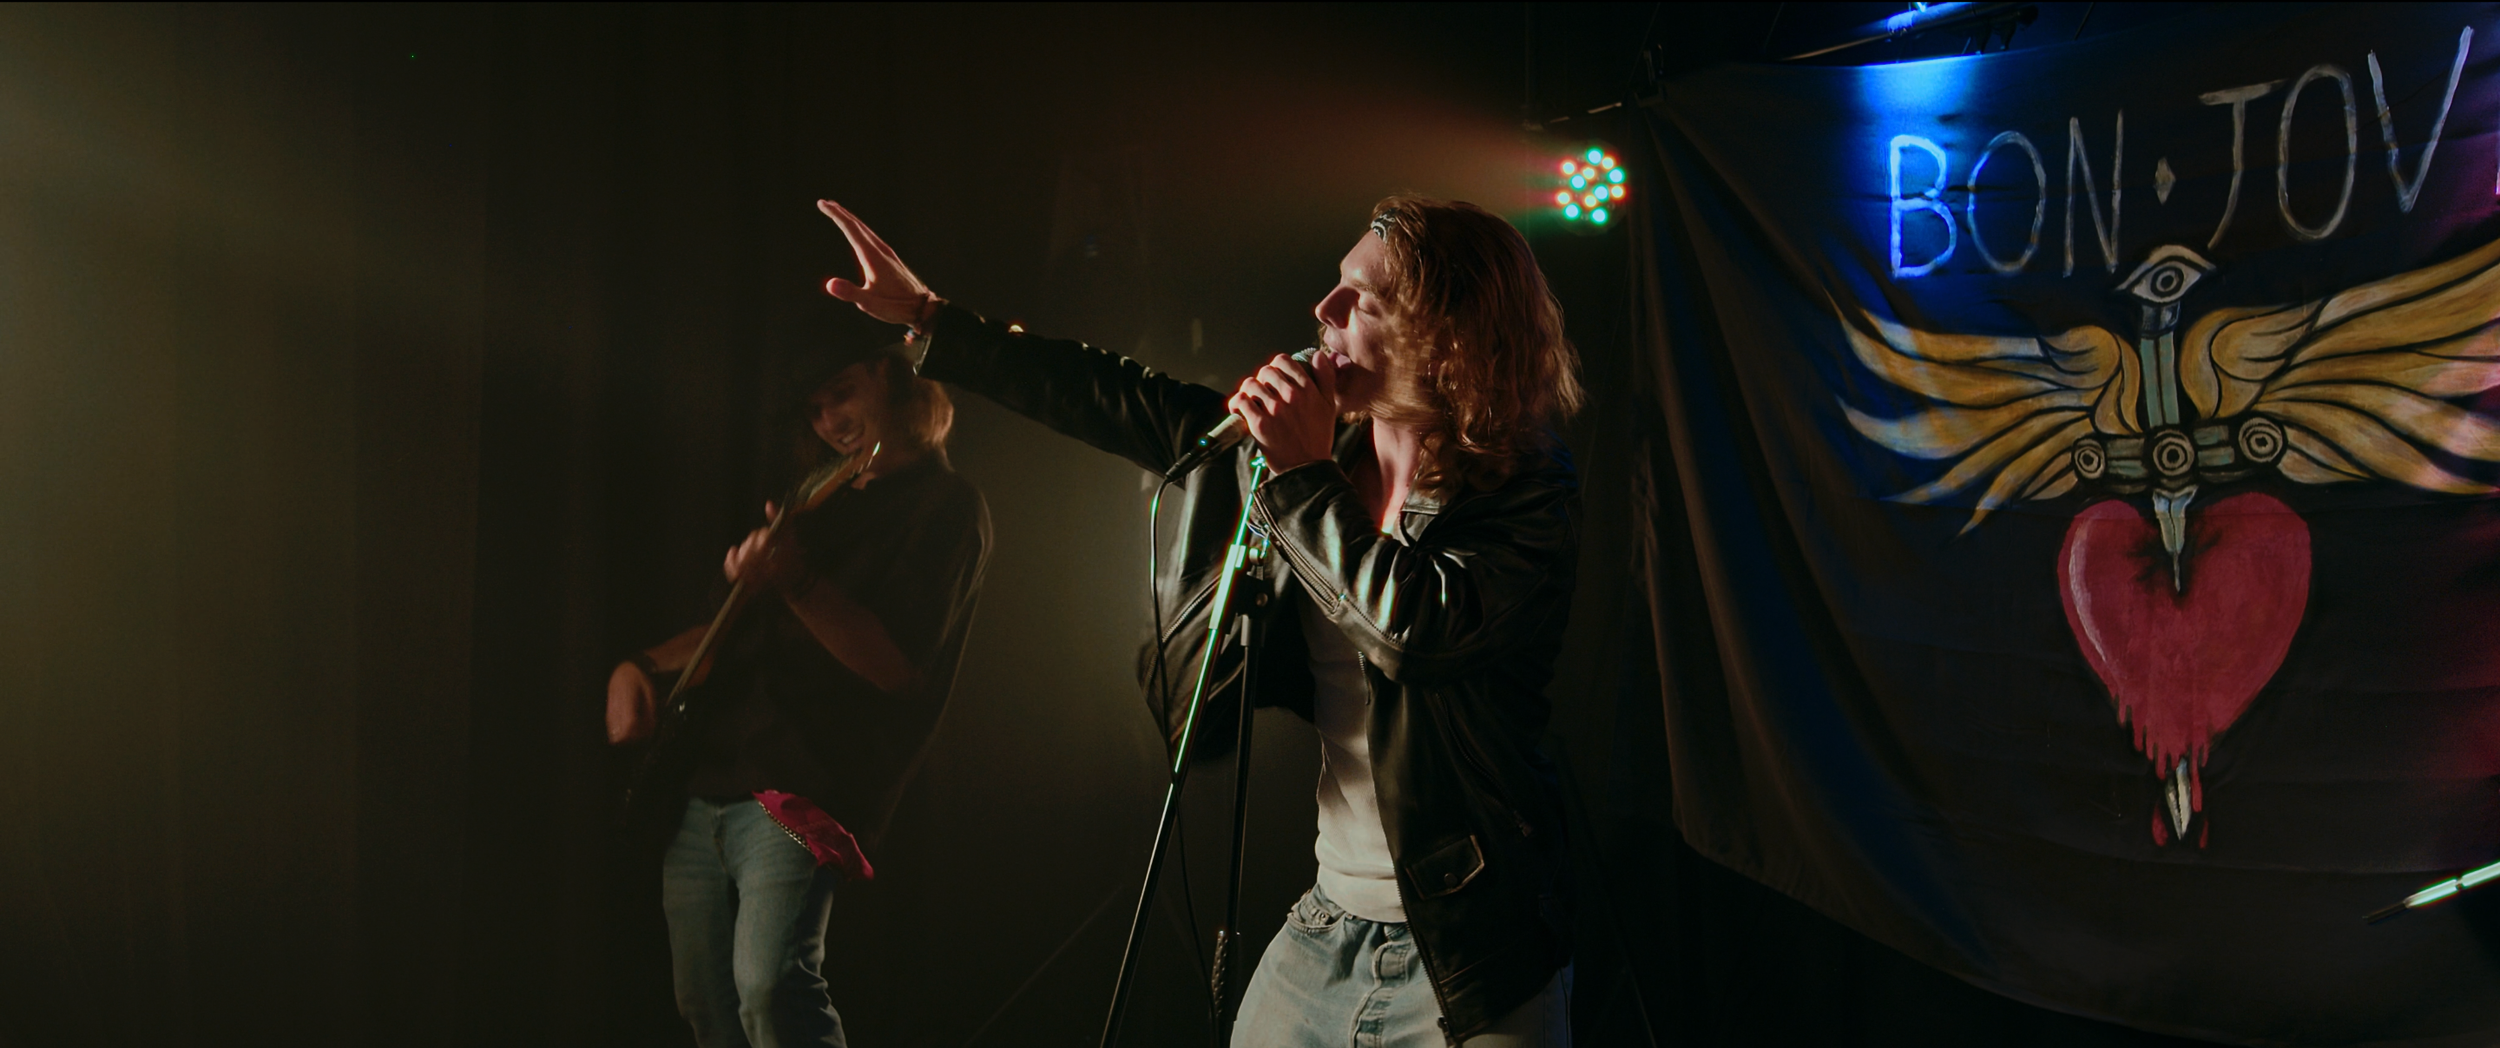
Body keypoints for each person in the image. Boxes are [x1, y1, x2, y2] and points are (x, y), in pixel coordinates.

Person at [813, 194, 1580, 1046]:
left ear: (1446, 337)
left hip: (1476, 948)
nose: (1322, 313)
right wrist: (932, 319)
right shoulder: (1318, 460)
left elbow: (1419, 631)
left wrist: (1300, 477)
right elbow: (1120, 397)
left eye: (1362, 299)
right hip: (1331, 922)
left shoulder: (1524, 489)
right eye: (1335, 286)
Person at [605, 329, 992, 1048]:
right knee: (705, 1002)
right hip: (706, 782)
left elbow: (899, 666)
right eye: (815, 409)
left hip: (801, 791)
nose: (830, 421)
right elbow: (735, 633)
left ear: (890, 377)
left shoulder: (947, 506)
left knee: (770, 988)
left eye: (841, 393)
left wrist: (796, 579)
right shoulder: (814, 501)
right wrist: (638, 665)